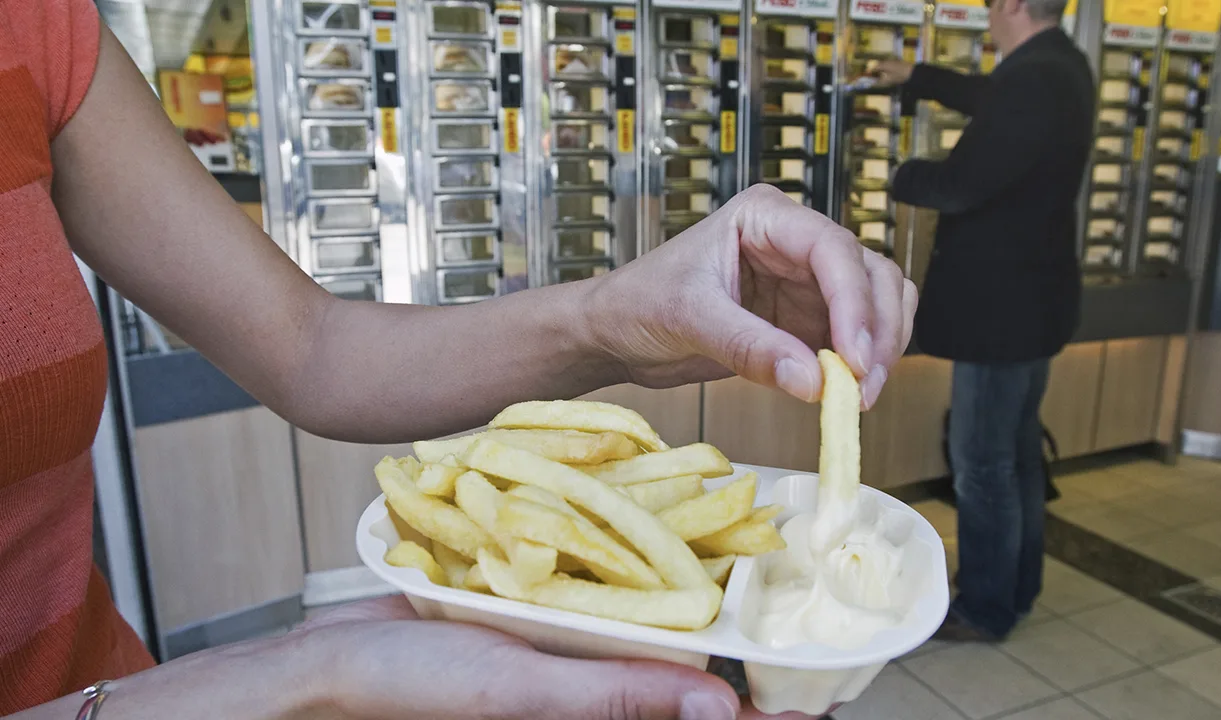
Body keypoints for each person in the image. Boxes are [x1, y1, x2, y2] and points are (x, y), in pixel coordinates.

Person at [0, 1, 916, 717]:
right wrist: (306, 675)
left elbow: (312, 349)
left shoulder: (41, 25)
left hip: (116, 678)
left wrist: (612, 317)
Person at [869, 0, 1093, 641]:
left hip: (1004, 312)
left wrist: (896, 174)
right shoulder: (1063, 65)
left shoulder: (1035, 78)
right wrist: (916, 76)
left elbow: (960, 185)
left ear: (1014, 5)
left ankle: (986, 607)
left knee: (983, 463)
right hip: (1034, 302)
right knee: (1017, 455)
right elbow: (991, 100)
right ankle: (1017, 586)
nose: (989, 16)